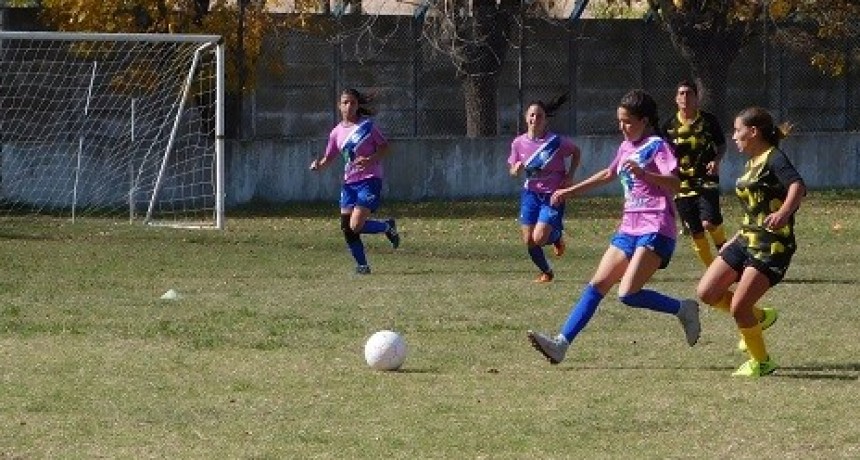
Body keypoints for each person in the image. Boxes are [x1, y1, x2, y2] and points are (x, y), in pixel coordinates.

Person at [527, 89, 700, 364]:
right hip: (628, 227)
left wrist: (646, 174)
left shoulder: (657, 145)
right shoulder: (624, 147)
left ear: (644, 121)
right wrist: (570, 191)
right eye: (619, 121)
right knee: (597, 284)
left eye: (628, 122)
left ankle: (683, 309)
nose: (622, 127)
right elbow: (609, 174)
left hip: (656, 225)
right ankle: (561, 344)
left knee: (627, 293)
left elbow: (676, 183)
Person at [696, 107, 806, 378]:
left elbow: (797, 186)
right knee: (707, 292)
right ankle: (760, 317)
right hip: (746, 238)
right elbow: (754, 210)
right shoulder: (752, 162)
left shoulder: (774, 158)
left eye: (738, 130)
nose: (733, 136)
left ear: (753, 131)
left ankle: (761, 362)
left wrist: (783, 213)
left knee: (739, 307)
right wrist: (735, 237)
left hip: (772, 247)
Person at [309, 88, 400, 275]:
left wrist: (370, 159)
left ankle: (386, 227)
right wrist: (318, 165)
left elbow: (385, 147)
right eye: (345, 102)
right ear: (339, 106)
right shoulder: (335, 133)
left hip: (369, 180)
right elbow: (329, 157)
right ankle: (362, 266)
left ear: (358, 105)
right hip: (349, 183)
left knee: (356, 225)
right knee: (347, 228)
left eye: (352, 102)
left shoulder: (367, 127)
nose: (348, 106)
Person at [507, 94, 582, 283]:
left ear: (545, 120)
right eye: (532, 115)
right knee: (528, 240)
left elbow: (576, 152)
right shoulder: (518, 143)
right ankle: (546, 272)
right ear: (526, 117)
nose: (535, 119)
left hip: (553, 194)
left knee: (540, 238)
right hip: (530, 194)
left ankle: (556, 237)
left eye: (539, 116)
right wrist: (515, 170)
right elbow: (513, 169)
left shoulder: (555, 142)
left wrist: (570, 175)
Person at [661, 80, 728, 268]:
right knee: (695, 231)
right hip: (681, 186)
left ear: (696, 98)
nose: (685, 97)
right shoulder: (668, 126)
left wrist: (716, 160)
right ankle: (712, 269)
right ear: (676, 99)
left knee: (709, 223)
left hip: (706, 180)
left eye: (689, 93)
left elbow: (721, 145)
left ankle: (724, 249)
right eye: (681, 93)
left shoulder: (708, 121)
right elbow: (662, 153)